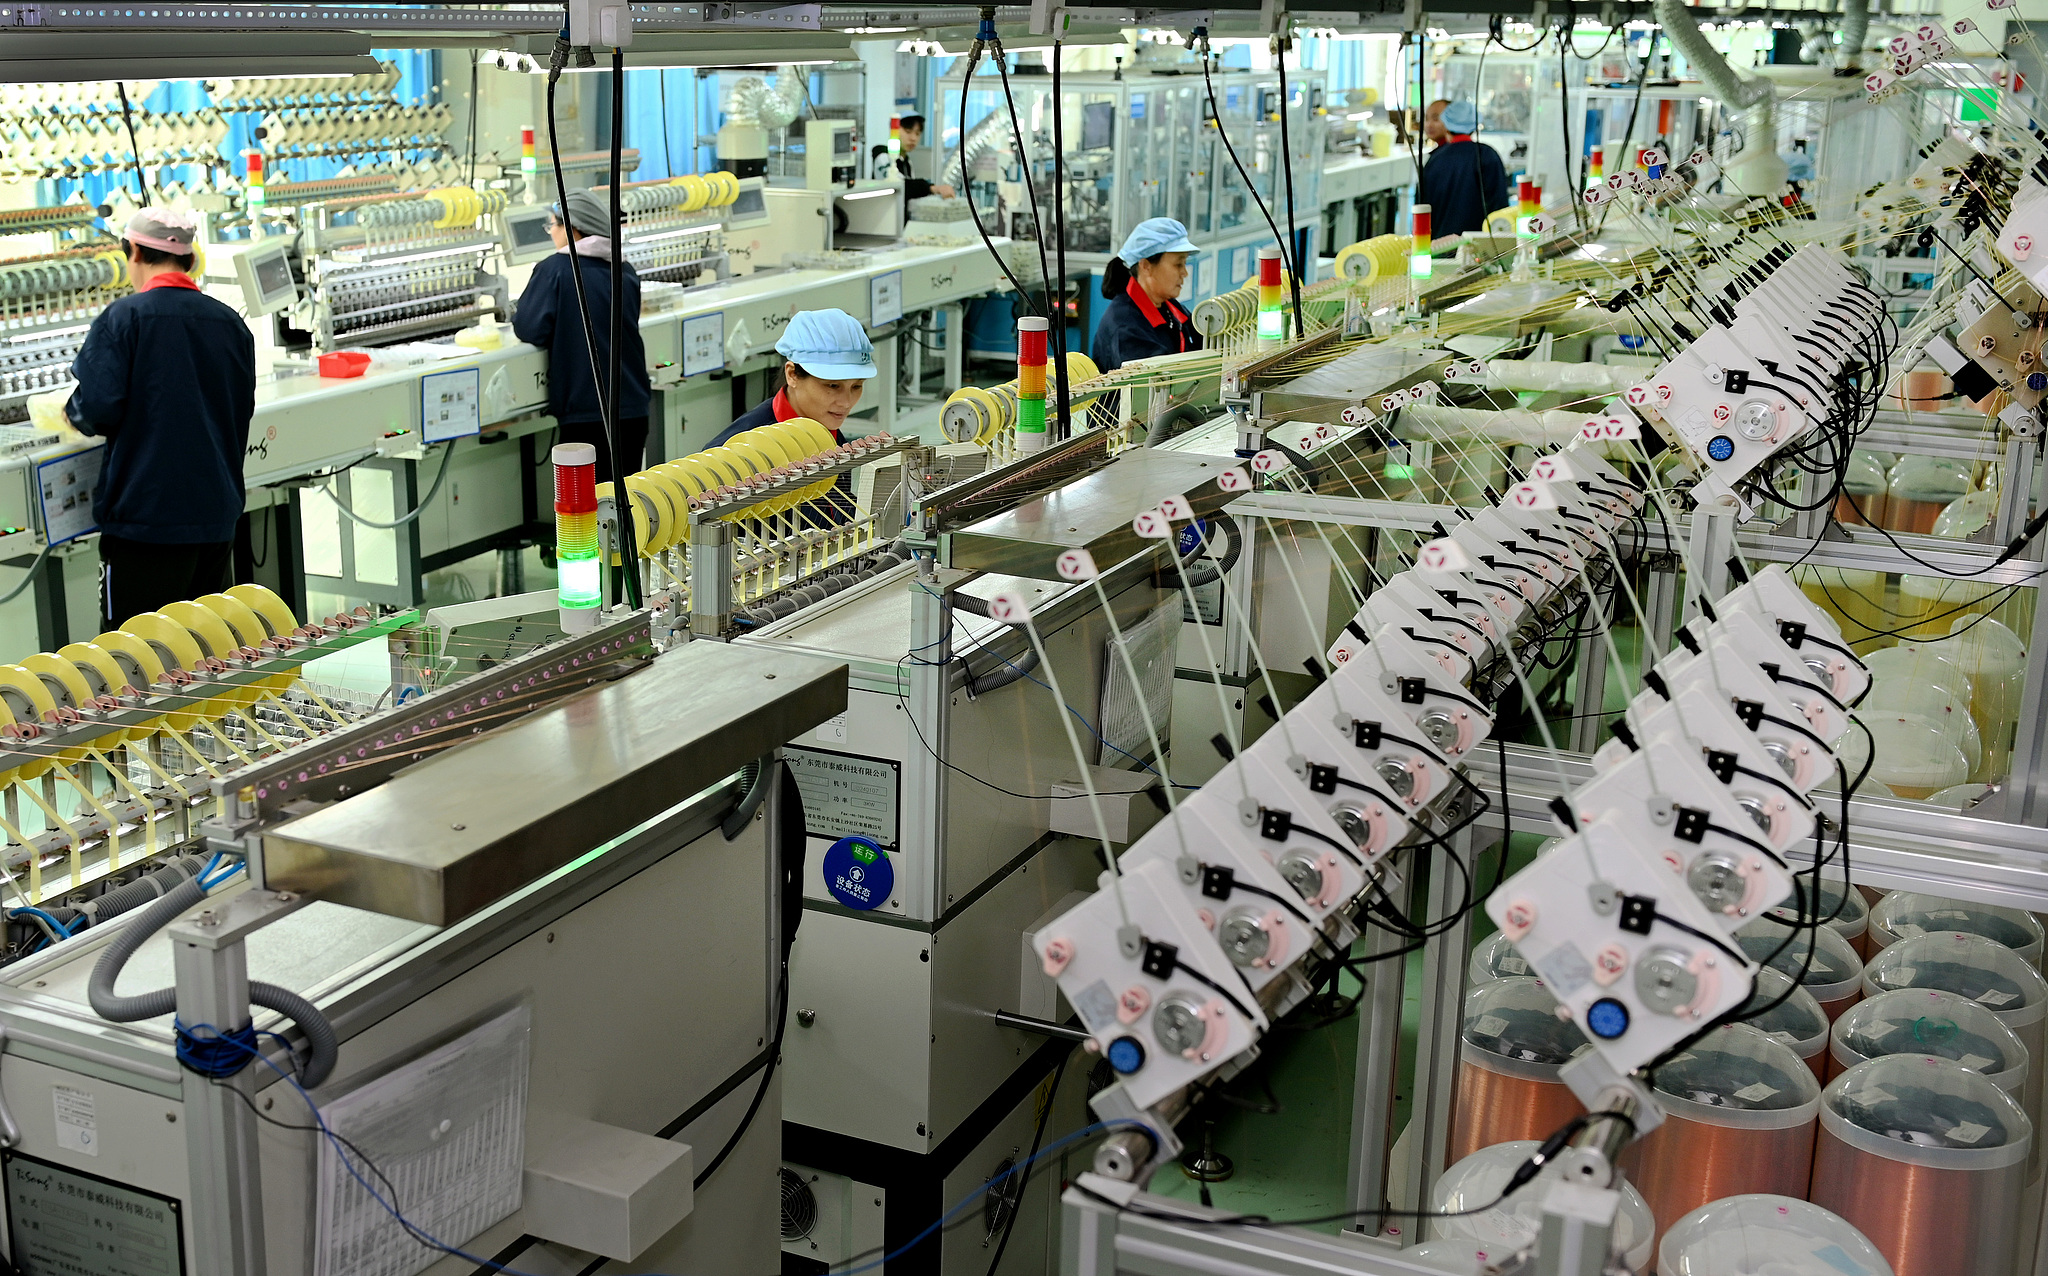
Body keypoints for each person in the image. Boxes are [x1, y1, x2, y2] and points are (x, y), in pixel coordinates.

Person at [62, 208, 255, 629]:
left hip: (146, 524)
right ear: (191, 260)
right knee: (206, 653)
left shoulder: (124, 319)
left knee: (133, 658)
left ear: (132, 252)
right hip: (215, 517)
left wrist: (65, 412)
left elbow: (94, 408)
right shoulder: (230, 323)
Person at [512, 188, 651, 479]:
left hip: (586, 409)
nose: (551, 233)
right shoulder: (624, 269)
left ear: (573, 229)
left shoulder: (557, 270)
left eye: (553, 225)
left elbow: (528, 328)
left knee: (585, 510)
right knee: (623, 502)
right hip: (632, 406)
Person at [710, 309, 877, 449]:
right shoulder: (740, 448)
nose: (846, 403)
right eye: (833, 386)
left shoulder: (829, 435)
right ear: (792, 375)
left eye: (856, 386)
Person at [1091, 217, 1202, 373]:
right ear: (1146, 266)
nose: (1184, 273)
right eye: (1178, 264)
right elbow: (1159, 385)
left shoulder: (1173, 309)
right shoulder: (1126, 328)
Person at [1417, 99, 1509, 240]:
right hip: (1478, 246)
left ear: (1446, 124)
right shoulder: (1486, 155)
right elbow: (1500, 210)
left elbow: (1421, 211)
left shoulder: (1434, 160)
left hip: (1440, 247)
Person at [895, 115, 956, 201]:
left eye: (917, 134)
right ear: (894, 130)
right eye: (908, 132)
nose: (913, 138)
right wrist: (933, 188)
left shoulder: (907, 161)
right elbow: (900, 185)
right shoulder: (882, 154)